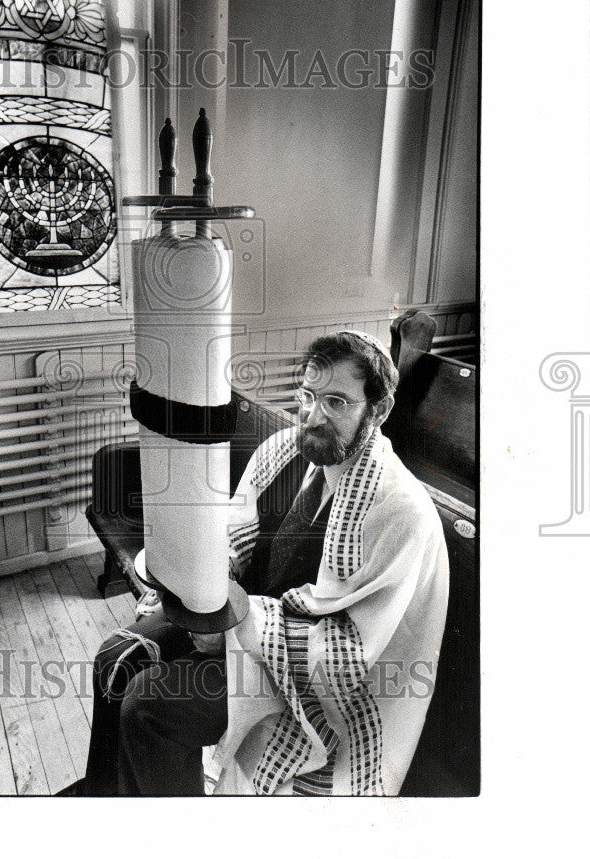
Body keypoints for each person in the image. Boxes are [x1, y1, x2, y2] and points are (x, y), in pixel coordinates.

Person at [72, 331, 448, 796]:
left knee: (148, 708)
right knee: (115, 659)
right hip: (249, 626)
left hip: (304, 679)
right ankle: (106, 797)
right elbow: (234, 533)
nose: (312, 417)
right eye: (307, 396)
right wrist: (211, 576)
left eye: (336, 402)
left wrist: (228, 632)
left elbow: (352, 652)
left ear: (380, 410)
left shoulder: (400, 510)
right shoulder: (283, 451)